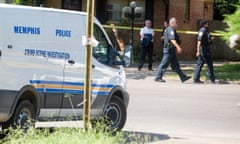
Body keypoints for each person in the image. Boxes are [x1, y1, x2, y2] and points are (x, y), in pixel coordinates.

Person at [155, 17, 191, 83]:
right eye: (176, 22)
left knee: (176, 65)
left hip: (171, 50)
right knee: (164, 64)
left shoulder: (170, 29)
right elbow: (172, 40)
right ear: (172, 23)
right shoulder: (170, 29)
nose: (177, 24)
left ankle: (183, 77)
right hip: (169, 49)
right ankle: (158, 77)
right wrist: (178, 47)